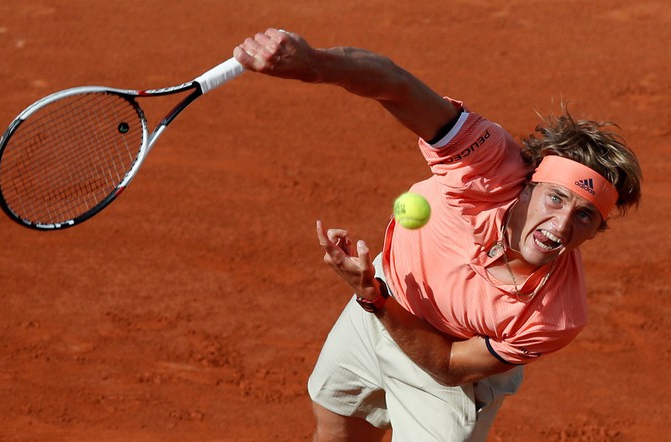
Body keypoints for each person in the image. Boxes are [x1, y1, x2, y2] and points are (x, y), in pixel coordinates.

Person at [234, 29, 642, 442]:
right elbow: (397, 86)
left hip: (441, 365)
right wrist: (315, 65)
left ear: (596, 231)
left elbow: (447, 365)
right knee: (336, 427)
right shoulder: (487, 165)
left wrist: (374, 297)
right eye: (556, 198)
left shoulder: (555, 317)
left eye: (586, 216)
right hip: (385, 294)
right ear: (530, 184)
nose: (562, 225)